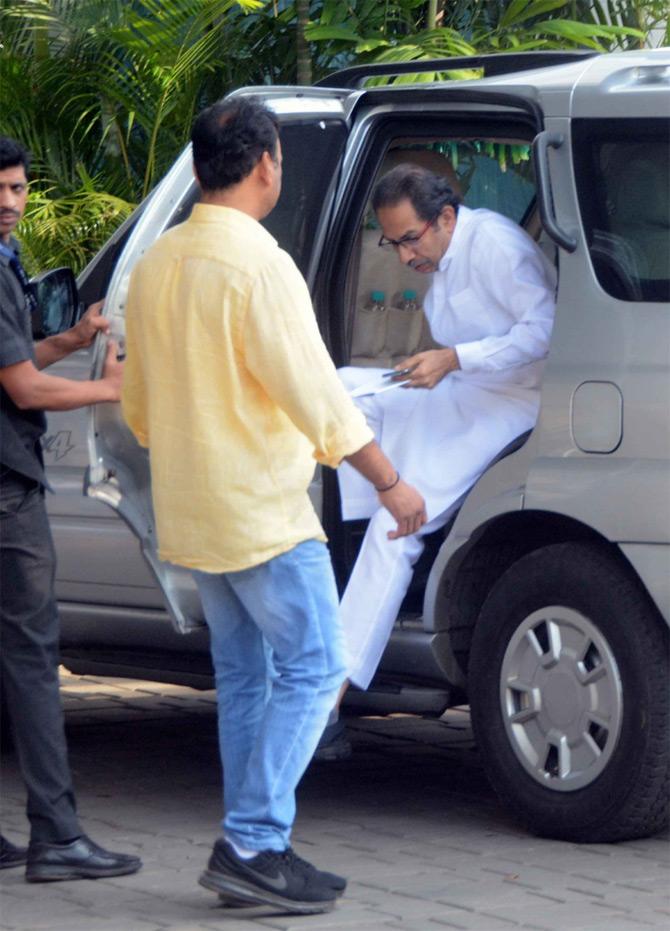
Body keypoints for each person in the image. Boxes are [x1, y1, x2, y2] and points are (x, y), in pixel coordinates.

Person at [121, 99, 426, 915]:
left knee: (245, 676)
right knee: (317, 664)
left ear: (198, 170)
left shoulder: (156, 264)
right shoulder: (260, 265)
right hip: (260, 510)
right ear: (267, 165)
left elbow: (139, 408)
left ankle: (255, 846)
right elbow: (318, 396)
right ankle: (253, 840)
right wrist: (389, 480)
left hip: (194, 510)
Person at [318, 163, 557, 757]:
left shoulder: (495, 244)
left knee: (397, 525)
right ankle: (342, 537)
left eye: (409, 239)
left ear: (446, 217)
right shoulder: (441, 252)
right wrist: (450, 364)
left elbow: (546, 330)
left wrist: (454, 359)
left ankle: (325, 702)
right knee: (342, 391)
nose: (404, 257)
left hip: (511, 403)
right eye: (392, 243)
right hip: (463, 387)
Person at [0, 137, 142, 880]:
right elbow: (23, 389)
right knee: (31, 657)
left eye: (19, 188)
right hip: (7, 491)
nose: (10, 203)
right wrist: (107, 389)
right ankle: (57, 836)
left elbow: (16, 363)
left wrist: (73, 339)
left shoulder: (7, 261)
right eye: (0, 190)